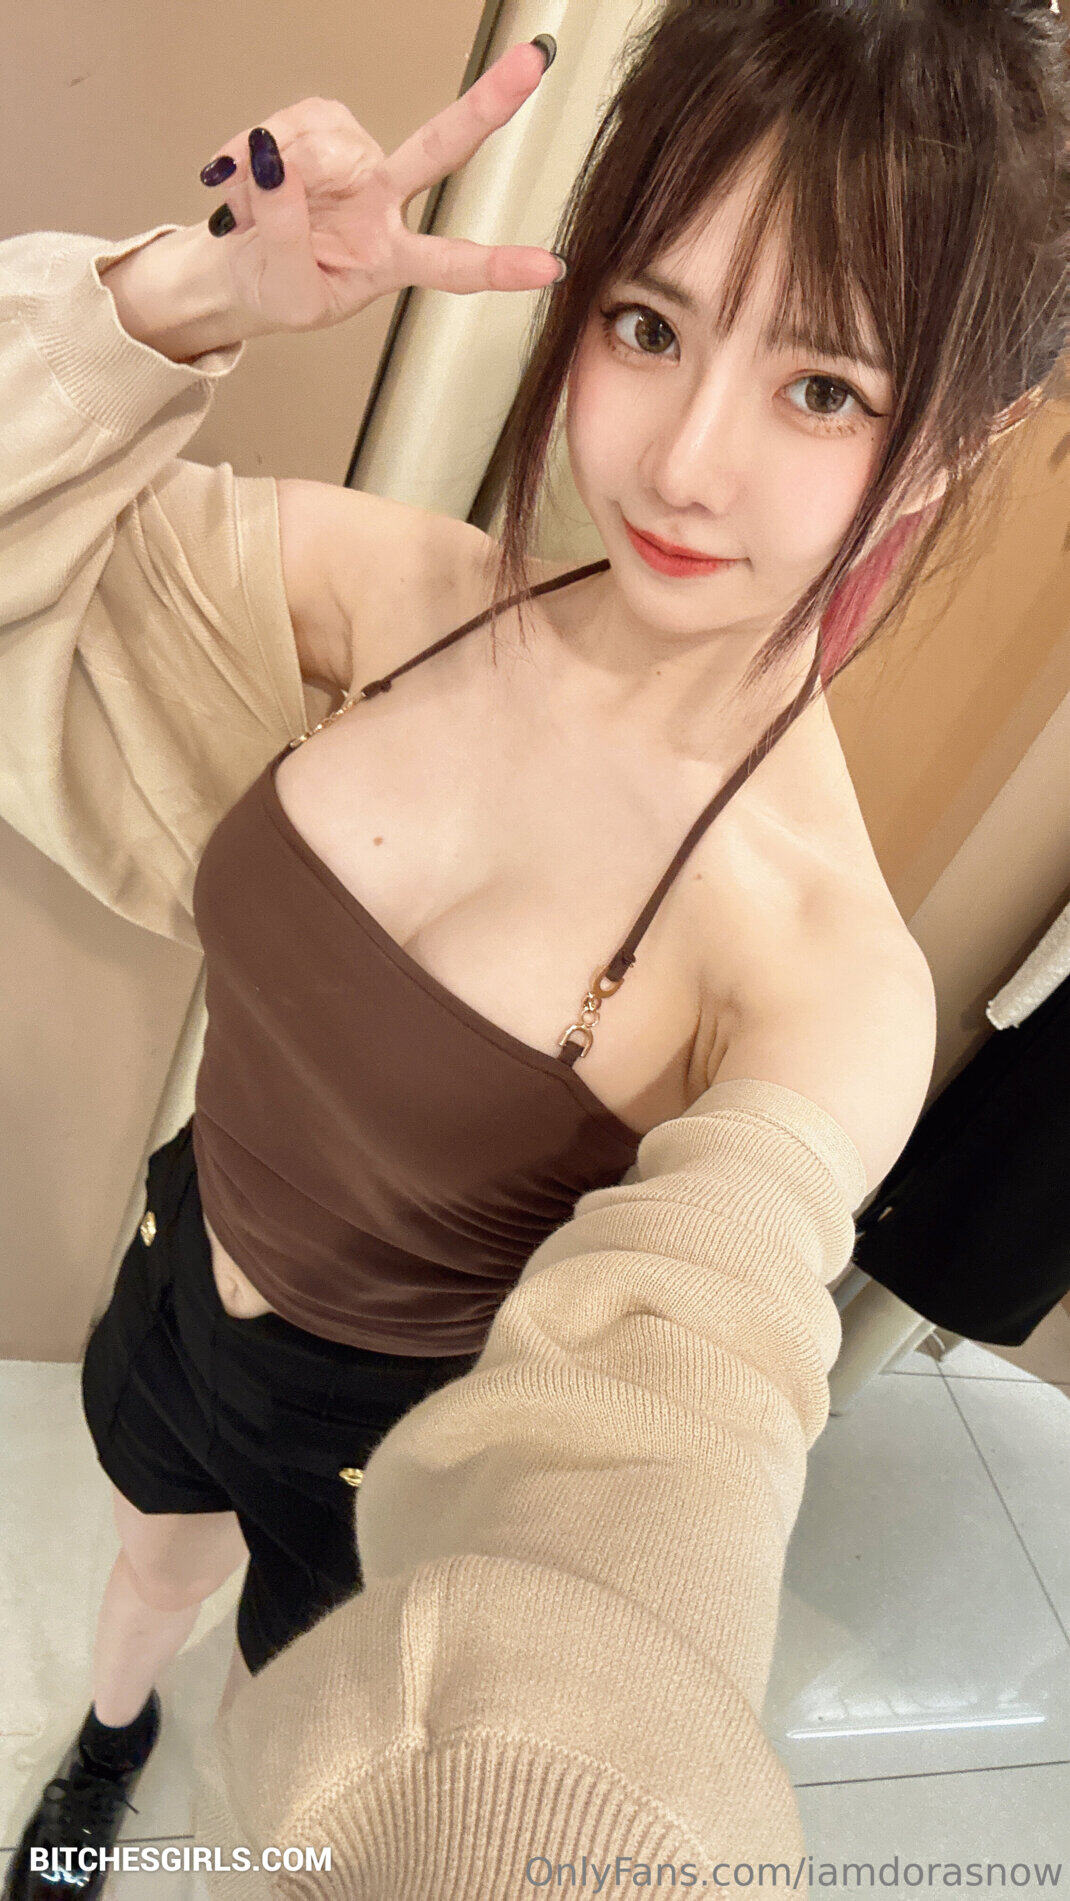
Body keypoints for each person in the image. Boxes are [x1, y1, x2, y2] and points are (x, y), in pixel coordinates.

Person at [1, 3, 1066, 1895]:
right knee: (149, 1557)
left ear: (949, 442)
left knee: (289, 1704)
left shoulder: (820, 973)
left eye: (823, 388)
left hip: (388, 1440)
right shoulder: (402, 601)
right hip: (184, 1252)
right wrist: (189, 294)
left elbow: (681, 1425)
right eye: (649, 327)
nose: (686, 463)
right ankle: (101, 1743)